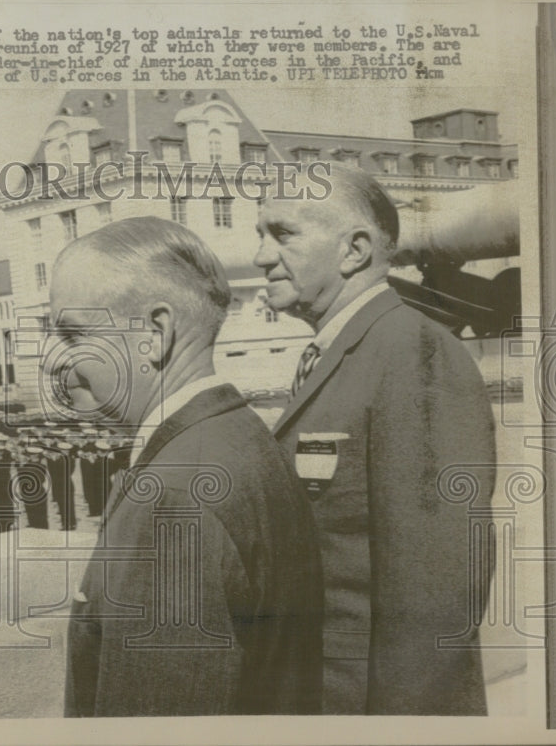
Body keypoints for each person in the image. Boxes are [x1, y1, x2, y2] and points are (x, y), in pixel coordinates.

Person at [54, 216, 323, 717]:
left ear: (154, 333)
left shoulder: (172, 498)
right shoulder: (238, 435)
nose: (59, 364)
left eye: (74, 336)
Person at [253, 164, 496, 715]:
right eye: (259, 236)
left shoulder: (412, 353)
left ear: (353, 250)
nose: (263, 257)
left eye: (283, 234)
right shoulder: (346, 352)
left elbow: (434, 601)